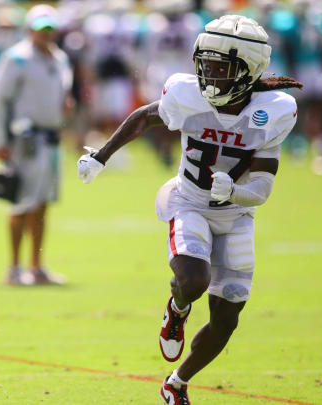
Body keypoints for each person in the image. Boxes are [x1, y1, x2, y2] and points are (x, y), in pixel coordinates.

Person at [77, 15, 302, 404]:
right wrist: (101, 156)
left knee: (226, 320)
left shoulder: (272, 111)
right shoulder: (188, 94)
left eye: (220, 66)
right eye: (205, 62)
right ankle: (177, 308)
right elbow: (143, 118)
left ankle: (176, 383)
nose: (208, 73)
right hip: (189, 201)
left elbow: (263, 186)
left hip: (236, 216)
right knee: (193, 279)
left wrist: (237, 191)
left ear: (248, 70)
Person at [0, 4, 73, 286]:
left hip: (50, 139)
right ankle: (13, 269)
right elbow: (0, 100)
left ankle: (36, 267)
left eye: (50, 28)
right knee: (20, 203)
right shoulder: (17, 58)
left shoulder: (60, 58)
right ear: (30, 30)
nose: (45, 34)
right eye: (41, 29)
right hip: (24, 139)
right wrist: (0, 141)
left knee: (43, 203)